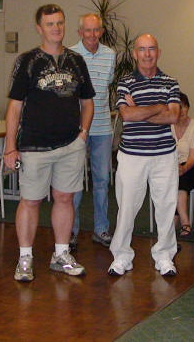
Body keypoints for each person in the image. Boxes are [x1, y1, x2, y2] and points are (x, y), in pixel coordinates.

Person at [3, 4, 95, 282]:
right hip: (34, 146)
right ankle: (25, 257)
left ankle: (61, 254)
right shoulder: (27, 61)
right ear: (39, 28)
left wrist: (83, 134)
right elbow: (14, 107)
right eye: (50, 24)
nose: (56, 28)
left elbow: (88, 102)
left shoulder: (76, 61)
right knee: (30, 201)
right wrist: (10, 146)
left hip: (69, 145)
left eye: (60, 23)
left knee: (65, 198)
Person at [109, 34, 181, 277]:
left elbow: (173, 116)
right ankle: (121, 256)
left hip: (164, 155)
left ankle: (164, 256)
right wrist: (159, 107)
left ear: (158, 52)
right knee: (126, 208)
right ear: (134, 53)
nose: (147, 54)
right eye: (142, 49)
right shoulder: (125, 82)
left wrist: (139, 110)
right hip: (132, 156)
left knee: (166, 208)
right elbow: (127, 115)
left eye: (151, 49)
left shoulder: (170, 82)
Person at [68, 13, 115, 250]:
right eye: (88, 30)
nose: (92, 35)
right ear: (80, 32)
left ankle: (101, 229)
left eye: (96, 30)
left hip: (103, 128)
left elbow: (106, 87)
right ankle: (70, 231)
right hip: (76, 130)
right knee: (74, 182)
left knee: (102, 180)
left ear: (102, 31)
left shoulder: (110, 55)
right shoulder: (70, 55)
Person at [171, 92, 194, 237]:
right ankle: (177, 221)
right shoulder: (167, 125)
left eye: (184, 107)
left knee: (180, 181)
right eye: (177, 107)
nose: (181, 110)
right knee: (172, 181)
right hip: (171, 167)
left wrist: (183, 168)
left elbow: (193, 157)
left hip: (190, 167)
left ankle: (184, 221)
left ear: (188, 107)